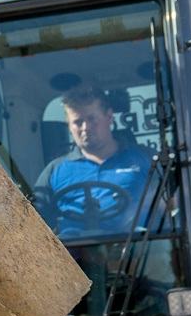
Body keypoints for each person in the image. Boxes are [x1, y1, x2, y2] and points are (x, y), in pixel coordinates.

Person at [36, 88, 156, 239]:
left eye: (92, 119)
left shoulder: (145, 158)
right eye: (78, 122)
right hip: (73, 255)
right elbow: (33, 224)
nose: (85, 128)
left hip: (138, 252)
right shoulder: (54, 171)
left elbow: (172, 203)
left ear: (109, 117)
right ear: (69, 125)